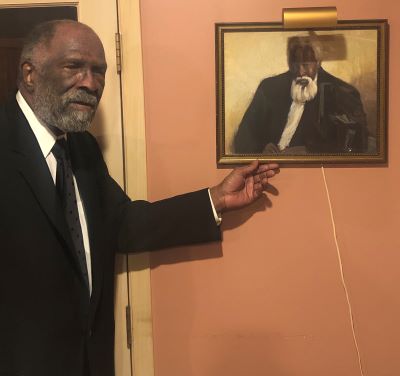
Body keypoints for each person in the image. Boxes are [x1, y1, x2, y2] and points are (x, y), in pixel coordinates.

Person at [0, 20, 279, 376]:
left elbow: (122, 225)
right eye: (74, 66)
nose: (90, 82)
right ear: (29, 73)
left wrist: (216, 198)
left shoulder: (81, 147)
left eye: (98, 71)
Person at [233, 35, 368, 154]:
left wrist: (309, 151)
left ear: (319, 62)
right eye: (295, 64)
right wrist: (261, 147)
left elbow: (357, 145)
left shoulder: (342, 92)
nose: (300, 72)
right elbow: (242, 139)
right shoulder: (269, 88)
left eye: (306, 64)